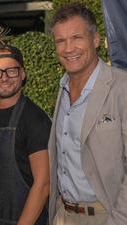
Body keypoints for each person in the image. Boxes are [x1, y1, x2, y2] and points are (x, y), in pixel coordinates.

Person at [48, 3, 127, 225]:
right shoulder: (62, 90)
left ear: (95, 40)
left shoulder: (122, 88)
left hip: (106, 217)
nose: (69, 48)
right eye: (61, 41)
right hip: (63, 215)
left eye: (77, 38)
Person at [0, 45, 51, 225]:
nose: (4, 77)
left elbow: (43, 184)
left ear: (23, 74)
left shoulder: (34, 119)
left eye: (11, 71)